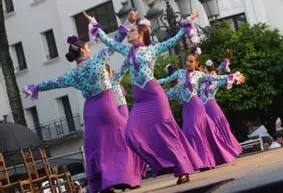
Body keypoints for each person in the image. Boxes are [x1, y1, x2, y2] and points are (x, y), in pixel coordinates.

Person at [84, 12, 204, 184]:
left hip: (155, 96)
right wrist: (94, 23)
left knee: (167, 134)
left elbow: (173, 39)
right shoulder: (127, 50)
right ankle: (162, 163)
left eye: (132, 31)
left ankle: (182, 169)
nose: (129, 34)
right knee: (130, 133)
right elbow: (108, 41)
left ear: (140, 34)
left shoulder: (152, 49)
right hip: (140, 100)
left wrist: (187, 24)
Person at [23, 37, 143, 193]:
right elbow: (113, 43)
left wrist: (34, 87)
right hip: (106, 106)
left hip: (90, 111)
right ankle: (122, 177)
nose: (90, 48)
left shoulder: (73, 74)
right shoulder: (96, 61)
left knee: (97, 147)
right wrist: (124, 28)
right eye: (88, 46)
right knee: (124, 136)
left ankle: (104, 183)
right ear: (82, 50)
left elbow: (53, 82)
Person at [158, 47, 245, 169]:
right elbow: (166, 80)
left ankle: (206, 162)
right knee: (188, 133)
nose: (188, 63)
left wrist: (231, 76)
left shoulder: (199, 75)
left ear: (196, 63)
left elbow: (216, 77)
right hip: (186, 108)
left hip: (196, 105)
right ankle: (202, 161)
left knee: (195, 130)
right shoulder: (179, 73)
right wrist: (150, 82)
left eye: (191, 61)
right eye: (187, 61)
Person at [199, 50, 243, 156]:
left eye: (210, 68)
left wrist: (236, 79)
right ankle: (216, 154)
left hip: (211, 105)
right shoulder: (200, 78)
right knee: (208, 130)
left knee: (220, 126)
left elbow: (223, 72)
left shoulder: (216, 80)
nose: (208, 70)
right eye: (207, 68)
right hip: (201, 108)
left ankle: (230, 150)